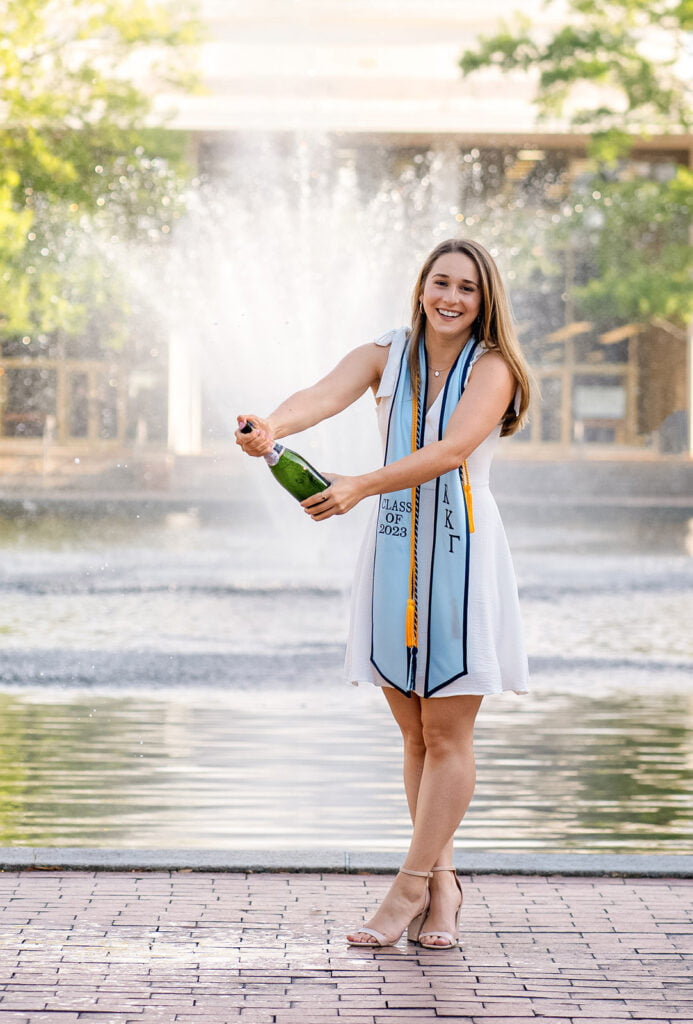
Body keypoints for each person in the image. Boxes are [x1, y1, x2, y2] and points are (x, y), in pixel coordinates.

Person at [235, 238, 531, 949]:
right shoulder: (386, 352)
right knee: (412, 732)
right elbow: (322, 394)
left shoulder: (492, 368)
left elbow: (450, 452)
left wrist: (358, 486)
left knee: (446, 732)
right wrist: (273, 425)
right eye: (440, 282)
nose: (451, 298)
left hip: (462, 555)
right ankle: (442, 888)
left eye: (466, 288)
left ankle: (407, 890)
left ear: (484, 299)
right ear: (421, 287)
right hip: (396, 552)